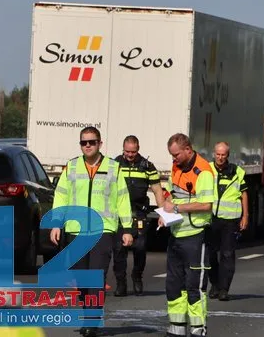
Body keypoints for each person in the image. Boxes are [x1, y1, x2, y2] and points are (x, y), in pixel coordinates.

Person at [50, 126, 134, 337]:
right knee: (80, 279)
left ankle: (92, 321)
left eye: (92, 142)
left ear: (100, 144)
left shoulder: (113, 168)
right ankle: (88, 313)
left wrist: (127, 229)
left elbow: (122, 199)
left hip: (103, 230)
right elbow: (61, 196)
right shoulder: (71, 167)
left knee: (96, 277)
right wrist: (56, 224)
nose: (87, 146)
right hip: (76, 230)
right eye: (83, 142)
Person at [160, 133, 214, 337]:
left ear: (188, 150)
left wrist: (177, 209)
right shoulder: (177, 167)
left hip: (196, 235)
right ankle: (176, 329)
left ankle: (198, 329)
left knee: (194, 287)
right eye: (171, 155)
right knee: (174, 285)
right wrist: (164, 212)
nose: (173, 159)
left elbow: (206, 205)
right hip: (176, 233)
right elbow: (170, 194)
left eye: (176, 155)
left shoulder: (203, 171)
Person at [110, 135, 165, 296]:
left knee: (140, 248)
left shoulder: (147, 166)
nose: (130, 155)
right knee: (119, 250)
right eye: (127, 151)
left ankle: (137, 276)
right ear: (123, 149)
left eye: (133, 152)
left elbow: (157, 190)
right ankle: (121, 283)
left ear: (138, 149)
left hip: (139, 213)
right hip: (119, 214)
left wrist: (162, 213)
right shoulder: (115, 165)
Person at [206, 141, 248, 301]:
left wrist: (245, 216)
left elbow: (244, 194)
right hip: (211, 218)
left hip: (230, 220)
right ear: (214, 154)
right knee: (209, 254)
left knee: (227, 255)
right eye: (218, 154)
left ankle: (224, 289)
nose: (220, 157)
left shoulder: (237, 171)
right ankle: (215, 284)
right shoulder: (207, 170)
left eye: (223, 155)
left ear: (228, 155)